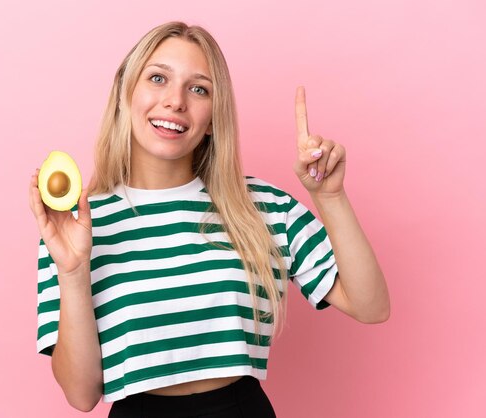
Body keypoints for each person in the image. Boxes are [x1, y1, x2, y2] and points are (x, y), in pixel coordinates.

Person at [29, 21, 390, 418]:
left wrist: (330, 196)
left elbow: (371, 306)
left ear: (214, 115)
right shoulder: (76, 226)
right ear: (123, 94)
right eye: (157, 78)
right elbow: (81, 396)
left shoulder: (263, 206)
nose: (175, 101)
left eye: (198, 88)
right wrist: (75, 271)